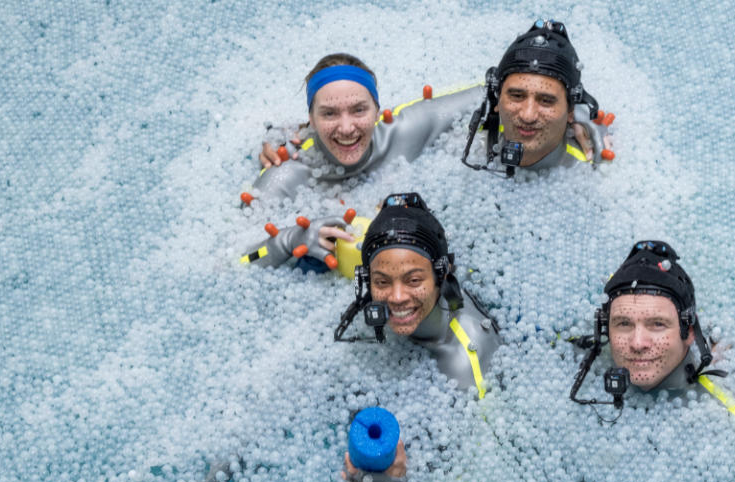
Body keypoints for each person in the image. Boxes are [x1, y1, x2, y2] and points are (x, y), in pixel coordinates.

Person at [334, 193, 502, 399]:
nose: (396, 297)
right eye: (382, 281)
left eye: (413, 280)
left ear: (442, 274)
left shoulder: (462, 367)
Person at [252, 53, 484, 201]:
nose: (346, 128)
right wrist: (290, 241)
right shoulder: (287, 175)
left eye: (359, 110)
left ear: (377, 110)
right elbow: (235, 257)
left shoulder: (405, 130)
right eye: (329, 114)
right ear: (311, 120)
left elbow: (492, 92)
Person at [568, 241, 735, 418]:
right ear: (606, 329)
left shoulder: (719, 408)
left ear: (688, 332)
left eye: (658, 324)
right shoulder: (581, 359)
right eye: (624, 324)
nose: (637, 343)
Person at [461, 18, 614, 175]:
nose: (528, 116)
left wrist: (591, 121)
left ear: (570, 111)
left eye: (546, 101)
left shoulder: (586, 171)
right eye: (516, 96)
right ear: (498, 99)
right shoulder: (468, 140)